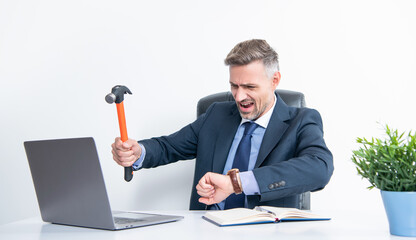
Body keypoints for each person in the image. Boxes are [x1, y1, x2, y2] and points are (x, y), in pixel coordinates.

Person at [112, 39, 333, 210]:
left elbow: (319, 168)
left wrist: (236, 183)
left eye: (249, 87)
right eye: (234, 86)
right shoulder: (216, 114)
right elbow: (168, 147)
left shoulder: (301, 120)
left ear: (274, 80)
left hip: (267, 232)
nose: (239, 97)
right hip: (209, 229)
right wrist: (137, 152)